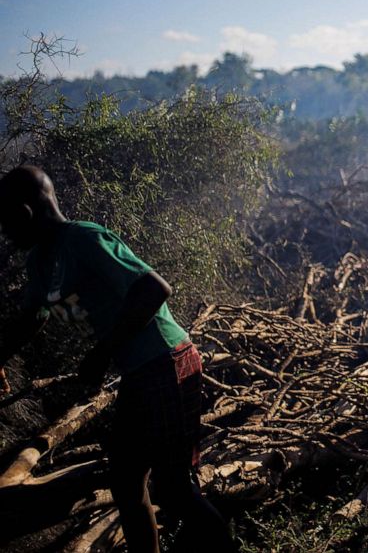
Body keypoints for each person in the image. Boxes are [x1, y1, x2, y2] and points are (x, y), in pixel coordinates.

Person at [0, 166, 236, 553]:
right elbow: (31, 319)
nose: (5, 234)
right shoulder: (40, 262)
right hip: (138, 373)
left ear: (25, 214)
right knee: (126, 482)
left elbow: (154, 288)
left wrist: (101, 352)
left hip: (167, 360)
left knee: (175, 489)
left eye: (6, 223)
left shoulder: (85, 239)